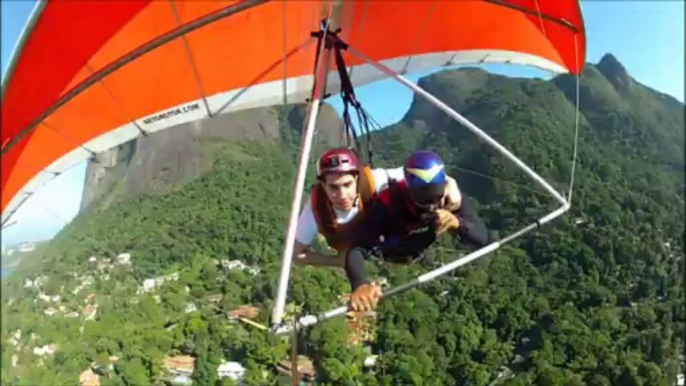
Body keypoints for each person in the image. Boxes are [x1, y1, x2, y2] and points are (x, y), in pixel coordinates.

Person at [343, 150, 490, 312]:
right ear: (408, 189)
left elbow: (481, 238)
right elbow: (357, 248)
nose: (432, 204)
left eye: (436, 195)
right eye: (423, 197)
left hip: (419, 250)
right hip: (391, 251)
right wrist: (360, 284)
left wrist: (458, 223)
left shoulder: (450, 199)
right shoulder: (389, 202)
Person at [293, 147, 463, 268]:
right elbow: (297, 254)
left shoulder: (376, 179)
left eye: (347, 184)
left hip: (387, 241)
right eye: (333, 187)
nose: (342, 194)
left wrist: (450, 183)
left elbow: (424, 172)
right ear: (323, 185)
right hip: (358, 251)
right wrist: (339, 261)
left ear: (357, 179)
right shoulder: (316, 211)